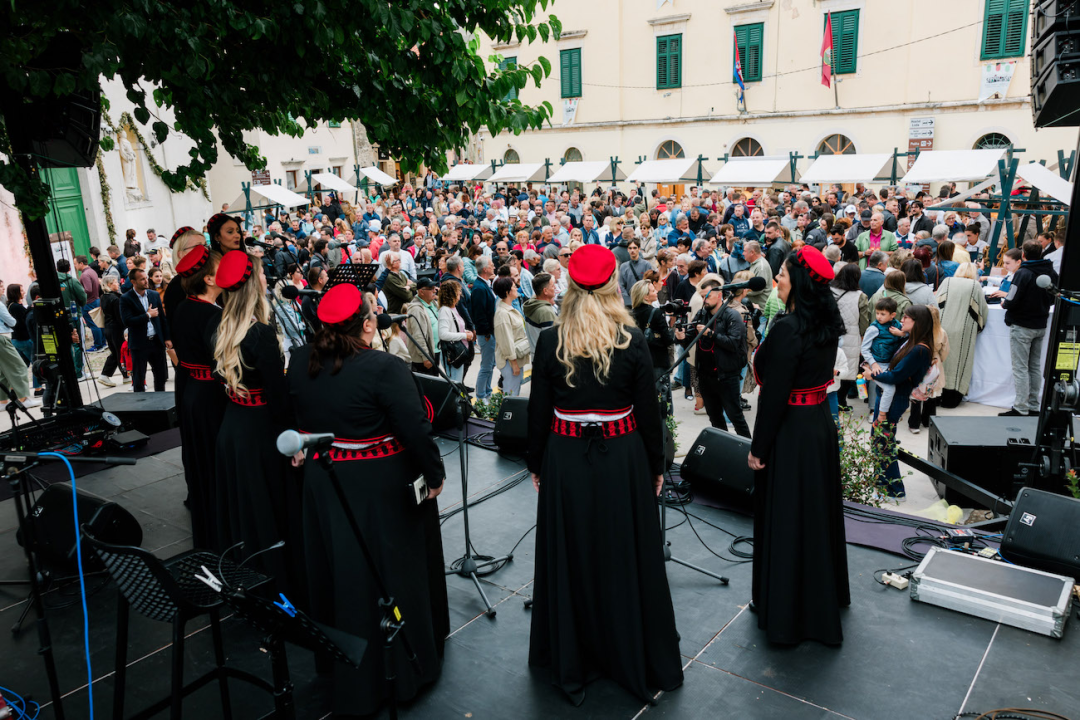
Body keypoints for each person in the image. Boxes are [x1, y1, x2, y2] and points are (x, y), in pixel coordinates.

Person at [527, 245, 682, 705]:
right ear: (614, 284)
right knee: (623, 551)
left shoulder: (551, 339)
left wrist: (536, 462)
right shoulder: (630, 338)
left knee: (572, 552)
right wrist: (657, 465)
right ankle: (626, 650)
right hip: (623, 456)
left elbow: (537, 412)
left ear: (570, 287)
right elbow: (649, 413)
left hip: (566, 457)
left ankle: (574, 653)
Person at [286, 285, 448, 717]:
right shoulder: (383, 366)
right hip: (378, 485)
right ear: (368, 323)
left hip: (325, 479)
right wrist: (434, 475)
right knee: (389, 572)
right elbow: (414, 427)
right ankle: (400, 667)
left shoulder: (301, 359)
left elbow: (294, 413)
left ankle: (346, 664)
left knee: (342, 572)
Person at [747, 246, 849, 646]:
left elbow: (774, 395)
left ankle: (788, 609)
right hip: (818, 424)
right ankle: (822, 596)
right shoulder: (825, 319)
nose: (777, 280)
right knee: (816, 514)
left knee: (788, 516)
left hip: (791, 430)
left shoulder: (790, 327)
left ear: (800, 281)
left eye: (783, 275)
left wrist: (758, 448)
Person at [211, 250, 302, 598]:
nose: (267, 278)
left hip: (234, 429)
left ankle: (247, 576)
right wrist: (295, 441)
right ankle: (277, 582)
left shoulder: (223, 326)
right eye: (263, 274)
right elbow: (279, 400)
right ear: (253, 284)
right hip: (262, 434)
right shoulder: (260, 333)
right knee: (270, 510)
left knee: (245, 510)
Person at [169, 245, 226, 550]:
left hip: (193, 390)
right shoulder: (209, 314)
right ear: (208, 279)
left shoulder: (185, 307)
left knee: (200, 457)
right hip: (209, 396)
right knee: (213, 457)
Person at [869, 305, 935, 499]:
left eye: (907, 317)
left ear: (918, 323)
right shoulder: (910, 341)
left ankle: (894, 490)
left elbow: (896, 376)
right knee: (880, 441)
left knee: (883, 443)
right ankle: (882, 484)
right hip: (890, 396)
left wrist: (871, 374)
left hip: (895, 398)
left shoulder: (919, 349)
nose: (902, 319)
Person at [681, 276, 751, 437]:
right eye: (702, 296)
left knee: (735, 416)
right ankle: (722, 449)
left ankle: (747, 450)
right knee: (714, 418)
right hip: (706, 376)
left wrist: (710, 334)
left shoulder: (732, 315)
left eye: (707, 295)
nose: (704, 300)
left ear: (719, 295)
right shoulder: (702, 314)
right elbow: (689, 338)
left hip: (726, 376)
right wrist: (680, 336)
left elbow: (734, 343)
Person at [1000, 242, 1058, 417]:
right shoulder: (1050, 271)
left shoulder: (1023, 273)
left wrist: (1006, 303)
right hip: (1040, 323)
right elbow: (1054, 296)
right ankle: (1033, 405)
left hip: (1022, 324)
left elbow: (1012, 297)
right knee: (1033, 366)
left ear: (1023, 255)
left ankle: (1021, 407)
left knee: (1021, 367)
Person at [935, 261, 989, 408]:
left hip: (944, 325)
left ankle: (936, 395)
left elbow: (936, 302)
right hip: (963, 329)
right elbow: (982, 310)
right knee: (960, 362)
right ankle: (951, 399)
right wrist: (979, 327)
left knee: (941, 359)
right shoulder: (974, 285)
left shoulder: (947, 281)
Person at [120, 267, 169, 392]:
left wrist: (167, 337)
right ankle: (141, 407)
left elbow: (162, 319)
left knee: (160, 376)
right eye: (142, 279)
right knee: (139, 378)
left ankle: (160, 404)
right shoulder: (126, 298)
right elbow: (127, 321)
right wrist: (147, 315)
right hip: (139, 343)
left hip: (156, 341)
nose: (146, 281)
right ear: (133, 282)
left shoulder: (154, 294)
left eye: (146, 278)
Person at [831, 263, 869, 409]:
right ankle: (841, 401)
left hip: (831, 334)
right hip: (851, 337)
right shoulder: (861, 296)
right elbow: (864, 322)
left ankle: (833, 400)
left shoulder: (830, 290)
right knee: (848, 369)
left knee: (832, 366)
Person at [860, 297, 905, 409]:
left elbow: (910, 335)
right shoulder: (874, 328)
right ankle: (880, 413)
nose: (879, 316)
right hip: (878, 364)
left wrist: (901, 334)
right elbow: (864, 349)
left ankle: (883, 411)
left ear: (892, 315)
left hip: (892, 364)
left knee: (886, 390)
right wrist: (873, 364)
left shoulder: (898, 326)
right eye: (877, 313)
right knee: (889, 389)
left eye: (883, 314)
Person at [493, 276, 530, 396]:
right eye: (514, 287)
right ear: (508, 292)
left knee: (514, 392)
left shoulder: (509, 308)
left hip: (515, 360)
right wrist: (514, 364)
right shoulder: (503, 314)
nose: (517, 289)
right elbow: (506, 341)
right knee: (511, 394)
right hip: (510, 362)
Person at [470, 256, 498, 398]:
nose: (494, 267)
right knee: (486, 366)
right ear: (485, 269)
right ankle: (481, 395)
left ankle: (487, 390)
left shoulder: (484, 284)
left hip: (489, 332)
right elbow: (479, 313)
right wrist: (487, 333)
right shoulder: (479, 288)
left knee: (491, 364)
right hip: (486, 334)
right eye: (492, 265)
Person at [96, 277, 130, 388]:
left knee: (116, 352)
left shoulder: (104, 297)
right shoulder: (115, 299)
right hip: (116, 329)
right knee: (120, 352)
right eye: (115, 282)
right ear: (110, 284)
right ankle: (122, 375)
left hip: (108, 328)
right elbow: (119, 317)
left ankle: (122, 375)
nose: (118, 283)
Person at [437, 281, 473, 383]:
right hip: (452, 352)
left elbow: (455, 327)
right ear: (451, 294)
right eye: (458, 292)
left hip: (458, 350)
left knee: (457, 381)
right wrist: (464, 335)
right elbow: (443, 334)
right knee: (455, 383)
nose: (460, 295)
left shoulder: (452, 309)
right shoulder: (445, 310)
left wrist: (465, 332)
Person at [405, 277, 441, 376]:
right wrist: (425, 357)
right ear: (421, 292)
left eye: (435, 288)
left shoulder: (433, 303)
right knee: (428, 388)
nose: (435, 290)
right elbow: (419, 335)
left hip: (435, 352)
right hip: (424, 358)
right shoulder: (416, 309)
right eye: (431, 288)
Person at [523, 272, 558, 353]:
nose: (555, 287)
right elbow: (551, 342)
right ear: (545, 291)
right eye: (552, 286)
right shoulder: (546, 311)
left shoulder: (532, 303)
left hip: (536, 356)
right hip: (545, 360)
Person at [617, 238, 650, 307]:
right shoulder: (623, 266)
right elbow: (621, 285)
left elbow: (648, 284)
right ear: (627, 249)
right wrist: (628, 301)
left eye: (635, 248)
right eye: (630, 248)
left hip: (643, 301)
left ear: (639, 249)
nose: (632, 250)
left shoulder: (646, 265)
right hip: (628, 303)